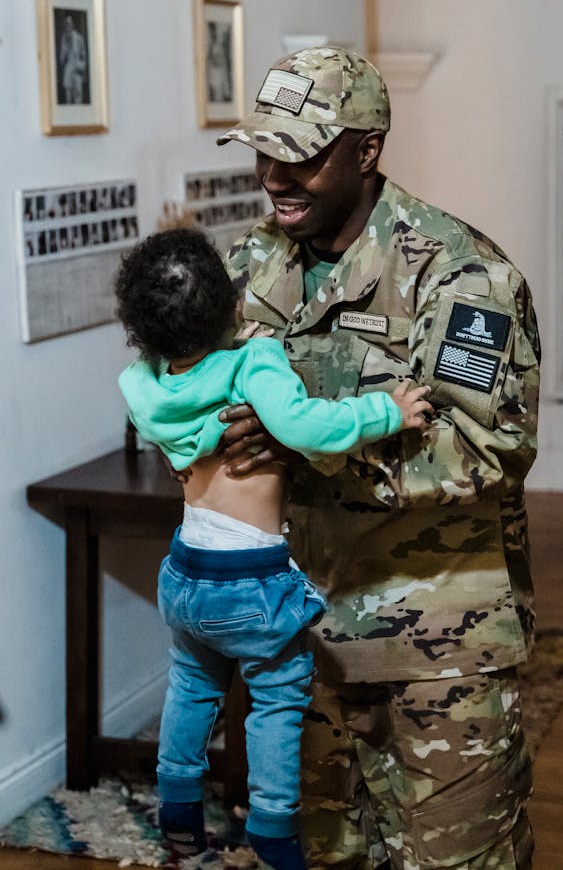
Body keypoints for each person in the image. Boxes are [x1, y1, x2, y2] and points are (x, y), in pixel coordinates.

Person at [214, 47, 542, 869]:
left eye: (302, 155)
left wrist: (305, 445)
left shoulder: (463, 274)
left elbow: (482, 446)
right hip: (293, 642)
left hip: (436, 652)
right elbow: (191, 395)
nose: (275, 176)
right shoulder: (250, 264)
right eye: (264, 151)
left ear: (367, 150)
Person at [114, 228, 432, 870]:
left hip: (184, 574)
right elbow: (305, 426)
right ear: (234, 308)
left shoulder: (142, 386)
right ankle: (275, 832)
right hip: (250, 581)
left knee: (191, 686)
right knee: (279, 698)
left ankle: (178, 813)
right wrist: (388, 412)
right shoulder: (252, 364)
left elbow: (147, 391)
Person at [58, 13, 87, 104]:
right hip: (68, 68)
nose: (68, 26)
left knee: (78, 94)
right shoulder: (63, 39)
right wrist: (66, 47)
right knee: (68, 94)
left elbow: (83, 54)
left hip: (77, 69)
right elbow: (61, 59)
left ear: (73, 24)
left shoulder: (79, 38)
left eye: (70, 23)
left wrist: (82, 65)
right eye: (67, 24)